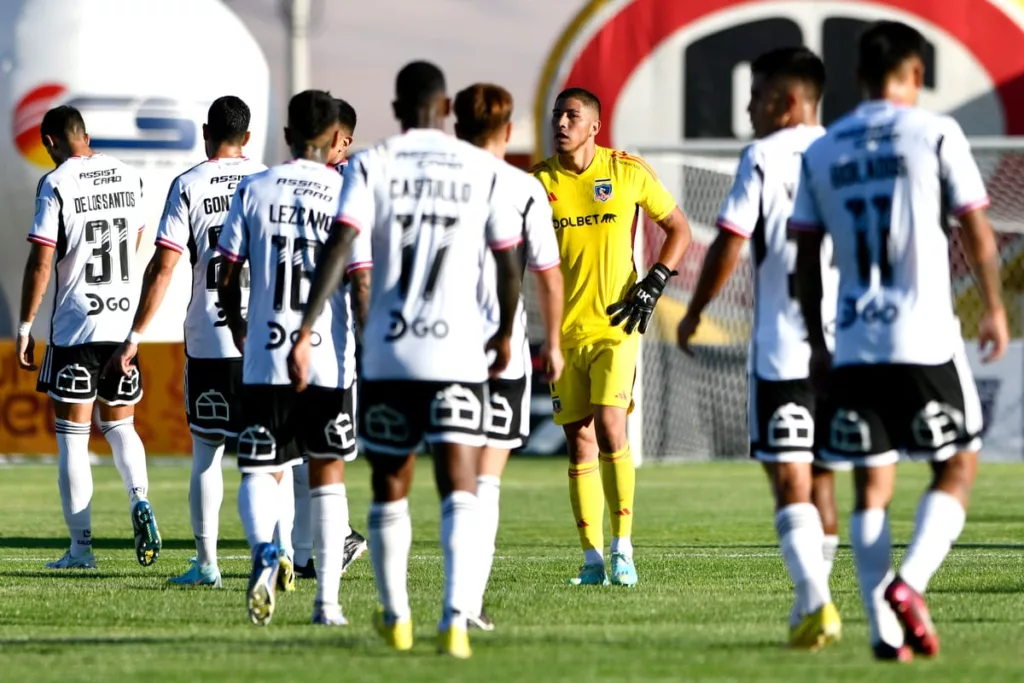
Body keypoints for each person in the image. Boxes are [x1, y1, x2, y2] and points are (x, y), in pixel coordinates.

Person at [288, 60, 524, 659]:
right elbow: (505, 257)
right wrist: (502, 333)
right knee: (460, 487)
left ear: (396, 109)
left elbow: (341, 245)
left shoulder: (372, 162)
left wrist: (307, 327)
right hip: (459, 353)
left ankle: (395, 616)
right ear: (446, 109)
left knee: (390, 486)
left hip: (391, 352)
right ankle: (453, 618)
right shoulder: (481, 168)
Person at [791, 20, 1008, 661]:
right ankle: (909, 586)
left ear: (859, 78)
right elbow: (977, 229)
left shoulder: (823, 149)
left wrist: (817, 341)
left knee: (871, 486)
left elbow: (805, 255)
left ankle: (884, 637)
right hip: (926, 339)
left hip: (855, 341)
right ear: (916, 74)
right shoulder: (936, 132)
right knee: (958, 464)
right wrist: (994, 308)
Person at [676, 47, 843, 648]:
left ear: (789, 102)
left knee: (787, 479)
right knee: (824, 480)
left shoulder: (765, 156)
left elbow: (730, 242)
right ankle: (812, 604)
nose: (748, 107)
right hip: (845, 348)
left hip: (784, 347)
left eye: (758, 94)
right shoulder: (846, 152)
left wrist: (695, 312)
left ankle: (817, 601)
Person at [531, 88, 692, 586]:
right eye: (557, 114)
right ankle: (592, 561)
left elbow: (679, 228)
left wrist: (656, 280)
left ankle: (624, 549)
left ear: (594, 127)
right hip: (565, 331)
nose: (561, 122)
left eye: (571, 115)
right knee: (578, 443)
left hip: (617, 325)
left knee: (610, 427)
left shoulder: (627, 171)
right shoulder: (537, 183)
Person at [104, 96, 266, 588]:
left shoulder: (189, 184)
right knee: (275, 458)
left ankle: (208, 564)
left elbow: (164, 267)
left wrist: (135, 335)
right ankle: (279, 555)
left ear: (205, 132)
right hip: (265, 339)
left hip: (209, 338)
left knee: (207, 454)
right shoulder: (267, 180)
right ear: (249, 136)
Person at [216, 90, 360, 627]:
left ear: (286, 135)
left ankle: (262, 552)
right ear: (332, 139)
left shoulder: (254, 188)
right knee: (327, 473)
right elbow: (360, 279)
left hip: (266, 351)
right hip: (329, 355)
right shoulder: (347, 191)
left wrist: (237, 326)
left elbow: (225, 273)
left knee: (261, 466)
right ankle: (328, 605)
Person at [16, 105, 161, 569]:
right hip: (123, 328)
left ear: (51, 142)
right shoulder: (129, 175)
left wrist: (25, 326)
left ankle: (81, 550)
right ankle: (139, 498)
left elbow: (42, 260)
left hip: (77, 326)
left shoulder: (56, 183)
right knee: (121, 427)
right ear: (87, 135)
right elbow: (137, 238)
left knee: (74, 440)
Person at [453, 82, 564, 631]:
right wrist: (557, 346)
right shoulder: (523, 187)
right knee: (487, 480)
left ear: (456, 126)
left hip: (438, 347)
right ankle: (466, 604)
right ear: (508, 130)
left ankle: (398, 607)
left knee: (450, 479)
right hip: (503, 348)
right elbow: (546, 273)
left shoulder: (438, 181)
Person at [291, 95, 368, 582]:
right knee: (297, 456)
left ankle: (327, 545)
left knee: (317, 456)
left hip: (334, 341)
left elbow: (362, 272)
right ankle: (312, 550)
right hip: (293, 337)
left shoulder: (354, 191)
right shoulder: (294, 183)